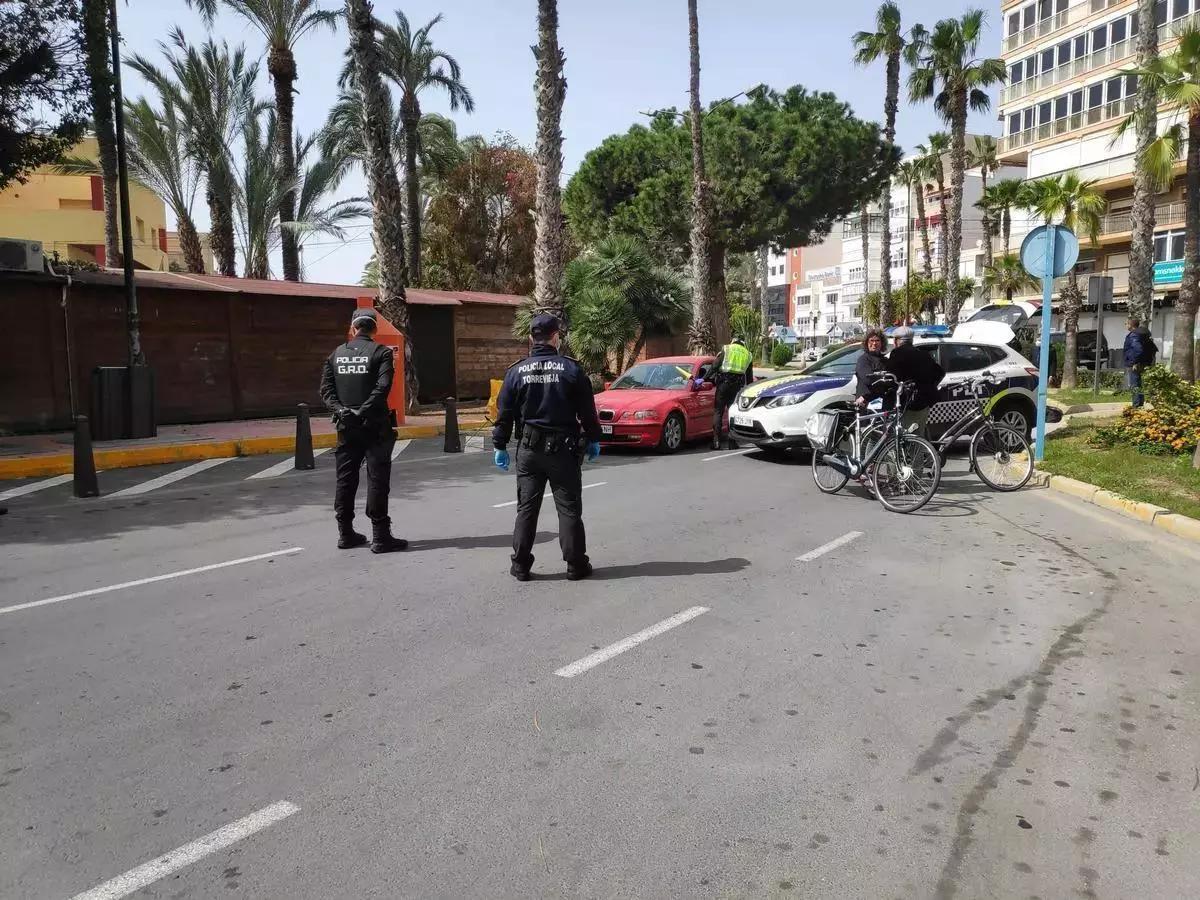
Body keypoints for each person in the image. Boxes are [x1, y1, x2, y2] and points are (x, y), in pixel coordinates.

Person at [492, 313, 603, 582]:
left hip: (529, 451)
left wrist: (499, 445)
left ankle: (520, 565)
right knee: (568, 509)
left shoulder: (516, 371)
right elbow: (588, 412)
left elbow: (504, 414)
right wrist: (594, 438)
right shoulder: (572, 370)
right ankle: (575, 565)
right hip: (563, 451)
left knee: (526, 509)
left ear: (531, 338)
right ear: (556, 337)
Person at [319, 308, 407, 553]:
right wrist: (364, 410)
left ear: (353, 328)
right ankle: (380, 536)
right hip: (375, 426)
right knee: (377, 479)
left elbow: (326, 391)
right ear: (375, 328)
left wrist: (341, 410)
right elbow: (383, 387)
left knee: (345, 479)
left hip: (346, 426)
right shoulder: (381, 353)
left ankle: (345, 533)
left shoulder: (335, 354)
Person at [885, 325, 945, 436]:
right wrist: (930, 385)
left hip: (906, 402)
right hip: (923, 401)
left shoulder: (896, 354)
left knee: (904, 437)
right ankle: (919, 452)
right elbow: (940, 372)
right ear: (911, 340)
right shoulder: (923, 354)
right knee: (918, 434)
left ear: (897, 341)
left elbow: (890, 377)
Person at [706, 336, 754, 450]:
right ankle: (732, 443)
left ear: (733, 341)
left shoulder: (727, 348)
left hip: (723, 384)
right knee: (732, 414)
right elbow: (749, 377)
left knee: (718, 412)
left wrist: (704, 378)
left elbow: (715, 366)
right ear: (743, 343)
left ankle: (716, 442)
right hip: (737, 387)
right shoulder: (748, 354)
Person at [1122, 317, 1156, 408]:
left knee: (1134, 384)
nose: (1126, 325)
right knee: (1138, 383)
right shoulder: (1141, 334)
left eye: (1126, 323)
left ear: (1131, 325)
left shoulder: (1134, 335)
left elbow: (1138, 349)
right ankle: (1140, 403)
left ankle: (1136, 405)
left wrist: (1134, 362)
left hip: (1135, 363)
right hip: (1143, 362)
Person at [854, 329, 890, 409]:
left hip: (883, 402)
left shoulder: (885, 360)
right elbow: (868, 380)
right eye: (871, 340)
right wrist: (884, 379)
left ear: (882, 343)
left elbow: (891, 380)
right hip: (865, 401)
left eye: (877, 340)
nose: (874, 343)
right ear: (866, 343)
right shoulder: (863, 359)